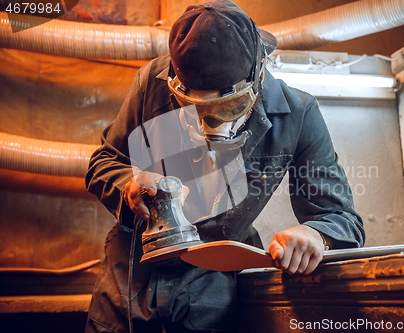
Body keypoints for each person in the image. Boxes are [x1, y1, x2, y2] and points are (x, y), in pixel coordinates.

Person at [85, 0, 365, 332]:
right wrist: (128, 185)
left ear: (258, 73)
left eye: (226, 106)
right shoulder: (152, 82)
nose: (208, 126)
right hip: (130, 275)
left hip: (213, 282)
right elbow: (103, 162)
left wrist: (316, 234)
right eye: (194, 106)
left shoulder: (298, 113)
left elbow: (342, 219)